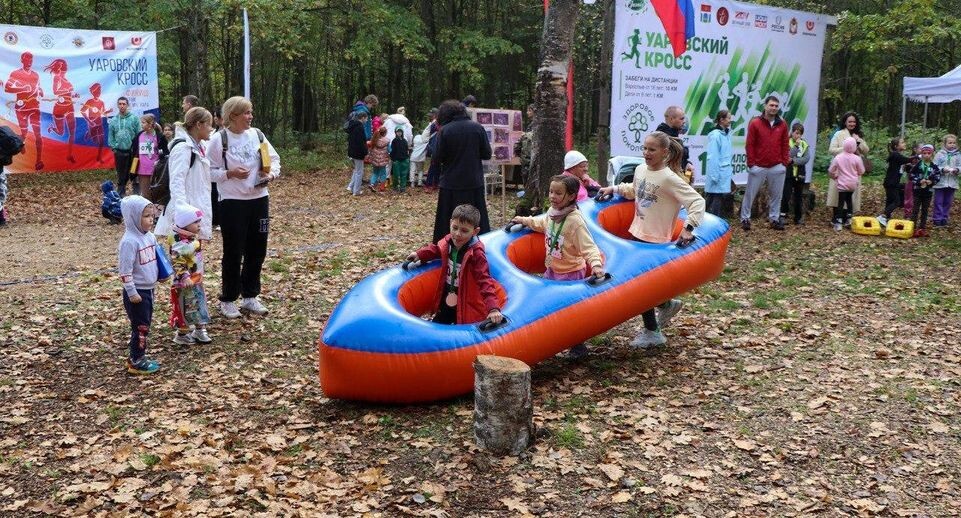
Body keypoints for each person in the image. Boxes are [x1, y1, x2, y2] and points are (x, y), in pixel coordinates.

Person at [597, 131, 704, 348]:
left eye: (652, 149)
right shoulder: (639, 169)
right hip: (636, 234)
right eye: (645, 148)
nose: (646, 153)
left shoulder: (670, 178)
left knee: (640, 290)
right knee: (641, 287)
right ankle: (665, 304)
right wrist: (614, 188)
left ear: (665, 152)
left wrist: (688, 228)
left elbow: (697, 202)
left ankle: (653, 332)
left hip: (656, 241)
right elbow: (637, 190)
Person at [512, 175, 604, 358]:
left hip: (570, 273)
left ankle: (578, 346)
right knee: (549, 307)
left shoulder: (574, 221)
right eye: (551, 192)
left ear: (570, 196)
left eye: (558, 193)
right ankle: (553, 340)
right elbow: (541, 224)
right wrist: (524, 220)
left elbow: (588, 246)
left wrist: (596, 265)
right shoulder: (553, 213)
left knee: (570, 312)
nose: (552, 196)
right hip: (552, 270)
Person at [208, 96, 281, 318]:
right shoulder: (219, 140)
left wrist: (270, 174)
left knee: (257, 248)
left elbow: (275, 159)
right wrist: (229, 173)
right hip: (232, 202)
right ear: (233, 116)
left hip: (259, 199)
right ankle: (228, 298)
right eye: (246, 113)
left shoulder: (258, 135)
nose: (250, 117)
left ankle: (250, 296)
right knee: (233, 250)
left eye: (251, 112)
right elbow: (208, 171)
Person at [406, 204, 503, 325]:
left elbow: (485, 280)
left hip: (465, 300)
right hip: (447, 295)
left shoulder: (476, 254)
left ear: (475, 231)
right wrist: (420, 254)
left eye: (464, 231)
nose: (457, 234)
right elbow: (437, 249)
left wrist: (493, 308)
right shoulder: (448, 242)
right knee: (439, 324)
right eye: (455, 228)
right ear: (450, 223)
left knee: (460, 331)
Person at [431, 100, 493, 243]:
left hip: (451, 184)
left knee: (447, 223)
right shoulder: (477, 128)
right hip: (473, 182)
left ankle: (445, 248)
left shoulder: (445, 130)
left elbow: (436, 158)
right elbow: (487, 154)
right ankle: (479, 248)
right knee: (477, 222)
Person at [155, 107, 214, 242]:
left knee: (194, 257)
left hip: (194, 210)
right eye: (209, 124)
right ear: (198, 125)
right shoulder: (183, 148)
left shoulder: (200, 146)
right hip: (186, 216)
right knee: (183, 258)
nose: (211, 128)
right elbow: (177, 181)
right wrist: (183, 215)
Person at [118, 195, 162, 374]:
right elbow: (125, 271)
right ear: (133, 217)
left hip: (149, 289)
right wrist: (131, 292)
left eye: (152, 215)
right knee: (141, 327)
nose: (151, 219)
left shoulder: (150, 237)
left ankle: (137, 355)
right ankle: (137, 359)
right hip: (137, 293)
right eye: (146, 216)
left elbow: (155, 260)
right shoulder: (129, 242)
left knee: (144, 324)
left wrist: (161, 274)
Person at [742, 95, 790, 231]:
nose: (773, 108)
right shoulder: (755, 123)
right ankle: (745, 218)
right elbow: (750, 144)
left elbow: (785, 144)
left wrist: (784, 163)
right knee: (750, 194)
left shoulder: (782, 123)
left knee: (777, 195)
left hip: (777, 166)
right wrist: (751, 164)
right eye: (771, 105)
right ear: (765, 106)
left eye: (776, 106)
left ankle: (774, 219)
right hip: (758, 166)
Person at [167, 205, 212, 345]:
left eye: (199, 221)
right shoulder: (178, 242)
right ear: (185, 224)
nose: (199, 225)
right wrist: (184, 276)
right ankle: (182, 333)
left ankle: (200, 329)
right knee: (186, 308)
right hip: (184, 283)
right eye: (195, 222)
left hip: (196, 280)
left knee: (199, 303)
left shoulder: (192, 238)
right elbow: (177, 261)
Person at [828, 112, 869, 226]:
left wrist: (858, 141)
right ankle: (836, 217)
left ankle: (847, 217)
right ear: (845, 122)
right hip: (840, 168)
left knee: (851, 195)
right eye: (850, 121)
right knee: (838, 194)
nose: (852, 124)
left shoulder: (858, 135)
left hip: (854, 168)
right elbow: (832, 149)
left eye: (854, 122)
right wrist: (847, 148)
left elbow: (866, 150)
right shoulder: (839, 134)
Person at [4, 52, 43, 170]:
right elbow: (7, 88)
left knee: (38, 135)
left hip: (35, 107)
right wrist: (22, 88)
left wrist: (40, 91)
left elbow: (38, 87)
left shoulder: (36, 75)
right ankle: (21, 144)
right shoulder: (16, 73)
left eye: (31, 60)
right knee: (24, 133)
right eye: (27, 60)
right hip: (22, 107)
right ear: (22, 60)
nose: (29, 62)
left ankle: (39, 161)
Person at [43, 59, 78, 164]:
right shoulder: (57, 77)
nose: (65, 67)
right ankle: (52, 127)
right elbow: (55, 91)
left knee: (72, 132)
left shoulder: (65, 79)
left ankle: (69, 155)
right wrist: (67, 91)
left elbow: (68, 93)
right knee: (61, 132)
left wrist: (73, 95)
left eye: (65, 66)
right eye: (63, 66)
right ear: (59, 68)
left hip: (69, 106)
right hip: (60, 107)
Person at [828, 137, 866, 231]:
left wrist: (835, 176)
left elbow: (831, 170)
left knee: (841, 202)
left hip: (842, 183)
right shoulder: (857, 158)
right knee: (849, 200)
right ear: (854, 147)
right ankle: (849, 218)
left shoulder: (838, 157)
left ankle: (839, 222)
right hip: (852, 184)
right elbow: (861, 171)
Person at [129, 114, 168, 200]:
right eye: (141, 123)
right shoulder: (139, 135)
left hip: (155, 170)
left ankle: (156, 210)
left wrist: (160, 160)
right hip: (142, 169)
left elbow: (165, 153)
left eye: (143, 123)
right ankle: (147, 211)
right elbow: (134, 151)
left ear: (150, 124)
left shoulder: (159, 137)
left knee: (156, 192)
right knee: (145, 194)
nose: (141, 125)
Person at [108, 97, 141, 195]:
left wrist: (136, 149)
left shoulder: (134, 118)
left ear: (127, 105)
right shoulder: (113, 120)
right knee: (121, 176)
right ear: (118, 105)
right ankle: (121, 197)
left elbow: (139, 134)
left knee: (135, 174)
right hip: (119, 153)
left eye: (124, 104)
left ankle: (137, 197)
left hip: (133, 153)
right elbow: (111, 136)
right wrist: (114, 148)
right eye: (120, 104)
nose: (122, 106)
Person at [704, 110, 733, 217]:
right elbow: (713, 156)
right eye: (728, 118)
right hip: (718, 173)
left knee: (715, 198)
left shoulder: (726, 134)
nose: (730, 120)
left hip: (723, 173)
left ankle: (706, 220)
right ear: (721, 119)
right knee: (715, 199)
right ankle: (710, 221)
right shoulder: (716, 135)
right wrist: (714, 175)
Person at [781, 123, 812, 225]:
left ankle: (798, 217)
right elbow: (788, 155)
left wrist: (794, 161)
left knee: (798, 195)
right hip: (788, 173)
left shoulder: (804, 144)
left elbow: (806, 158)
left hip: (800, 173)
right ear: (792, 132)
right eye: (796, 133)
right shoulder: (787, 142)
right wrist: (796, 146)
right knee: (786, 194)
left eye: (800, 134)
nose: (798, 136)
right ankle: (783, 215)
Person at [910, 144, 941, 237]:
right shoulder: (918, 165)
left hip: (928, 192)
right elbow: (911, 175)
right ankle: (912, 227)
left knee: (925, 210)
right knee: (915, 210)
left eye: (929, 153)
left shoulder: (934, 166)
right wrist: (919, 181)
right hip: (917, 191)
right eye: (924, 153)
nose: (926, 155)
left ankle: (922, 228)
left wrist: (931, 181)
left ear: (932, 154)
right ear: (921, 154)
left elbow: (938, 177)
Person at [879, 138, 912, 226]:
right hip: (891, 183)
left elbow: (905, 166)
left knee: (890, 201)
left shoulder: (898, 156)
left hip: (893, 183)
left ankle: (885, 219)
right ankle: (883, 216)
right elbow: (907, 159)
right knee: (896, 202)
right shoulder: (895, 155)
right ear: (896, 146)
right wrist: (918, 156)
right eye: (902, 143)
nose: (904, 144)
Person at [655, 106, 693, 176]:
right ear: (671, 119)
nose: (684, 121)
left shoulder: (673, 136)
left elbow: (680, 160)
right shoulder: (662, 138)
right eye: (681, 119)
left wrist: (688, 164)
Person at [79, 83, 112, 164]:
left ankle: (99, 157)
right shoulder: (89, 101)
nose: (99, 92)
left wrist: (109, 111)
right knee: (94, 140)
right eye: (97, 91)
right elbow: (82, 111)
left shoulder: (101, 102)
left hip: (99, 124)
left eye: (99, 90)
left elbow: (103, 112)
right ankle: (89, 133)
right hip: (91, 124)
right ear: (93, 92)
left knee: (101, 141)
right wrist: (89, 121)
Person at [932, 134, 959, 227]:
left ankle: (944, 218)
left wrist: (957, 170)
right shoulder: (940, 154)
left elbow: (960, 165)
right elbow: (934, 166)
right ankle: (937, 219)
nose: (952, 145)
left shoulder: (958, 155)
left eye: (954, 143)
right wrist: (942, 169)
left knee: (948, 201)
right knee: (938, 201)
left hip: (952, 182)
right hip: (940, 183)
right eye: (950, 143)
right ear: (945, 144)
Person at [345, 111, 369, 196]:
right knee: (359, 172)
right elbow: (362, 142)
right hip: (358, 153)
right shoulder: (359, 127)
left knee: (356, 171)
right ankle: (356, 191)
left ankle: (351, 187)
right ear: (362, 118)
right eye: (366, 118)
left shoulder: (353, 126)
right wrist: (365, 152)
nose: (366, 120)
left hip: (352, 151)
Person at [367, 126, 390, 192]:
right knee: (383, 174)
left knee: (375, 173)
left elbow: (370, 148)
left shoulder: (374, 140)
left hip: (375, 160)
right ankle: (382, 187)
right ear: (385, 133)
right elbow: (389, 150)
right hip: (383, 160)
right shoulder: (387, 141)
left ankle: (372, 184)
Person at [390, 127, 411, 193]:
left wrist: (407, 158)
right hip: (396, 160)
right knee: (396, 175)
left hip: (404, 159)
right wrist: (393, 159)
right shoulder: (394, 141)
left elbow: (406, 149)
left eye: (400, 132)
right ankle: (395, 187)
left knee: (404, 174)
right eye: (398, 132)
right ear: (395, 132)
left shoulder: (404, 140)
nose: (399, 133)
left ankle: (403, 187)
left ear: (402, 132)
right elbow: (392, 150)